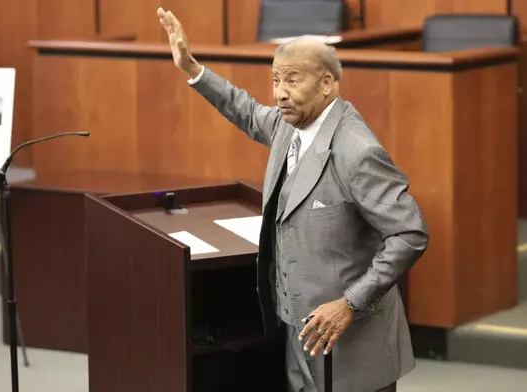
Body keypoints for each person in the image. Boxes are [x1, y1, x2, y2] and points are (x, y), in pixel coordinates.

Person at [157, 8, 429, 392]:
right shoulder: (292, 125)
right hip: (297, 334)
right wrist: (192, 68)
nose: (280, 92)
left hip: (350, 344)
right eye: (275, 79)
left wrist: (349, 303)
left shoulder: (357, 151)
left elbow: (409, 234)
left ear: (326, 84)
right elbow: (248, 111)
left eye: (292, 80)